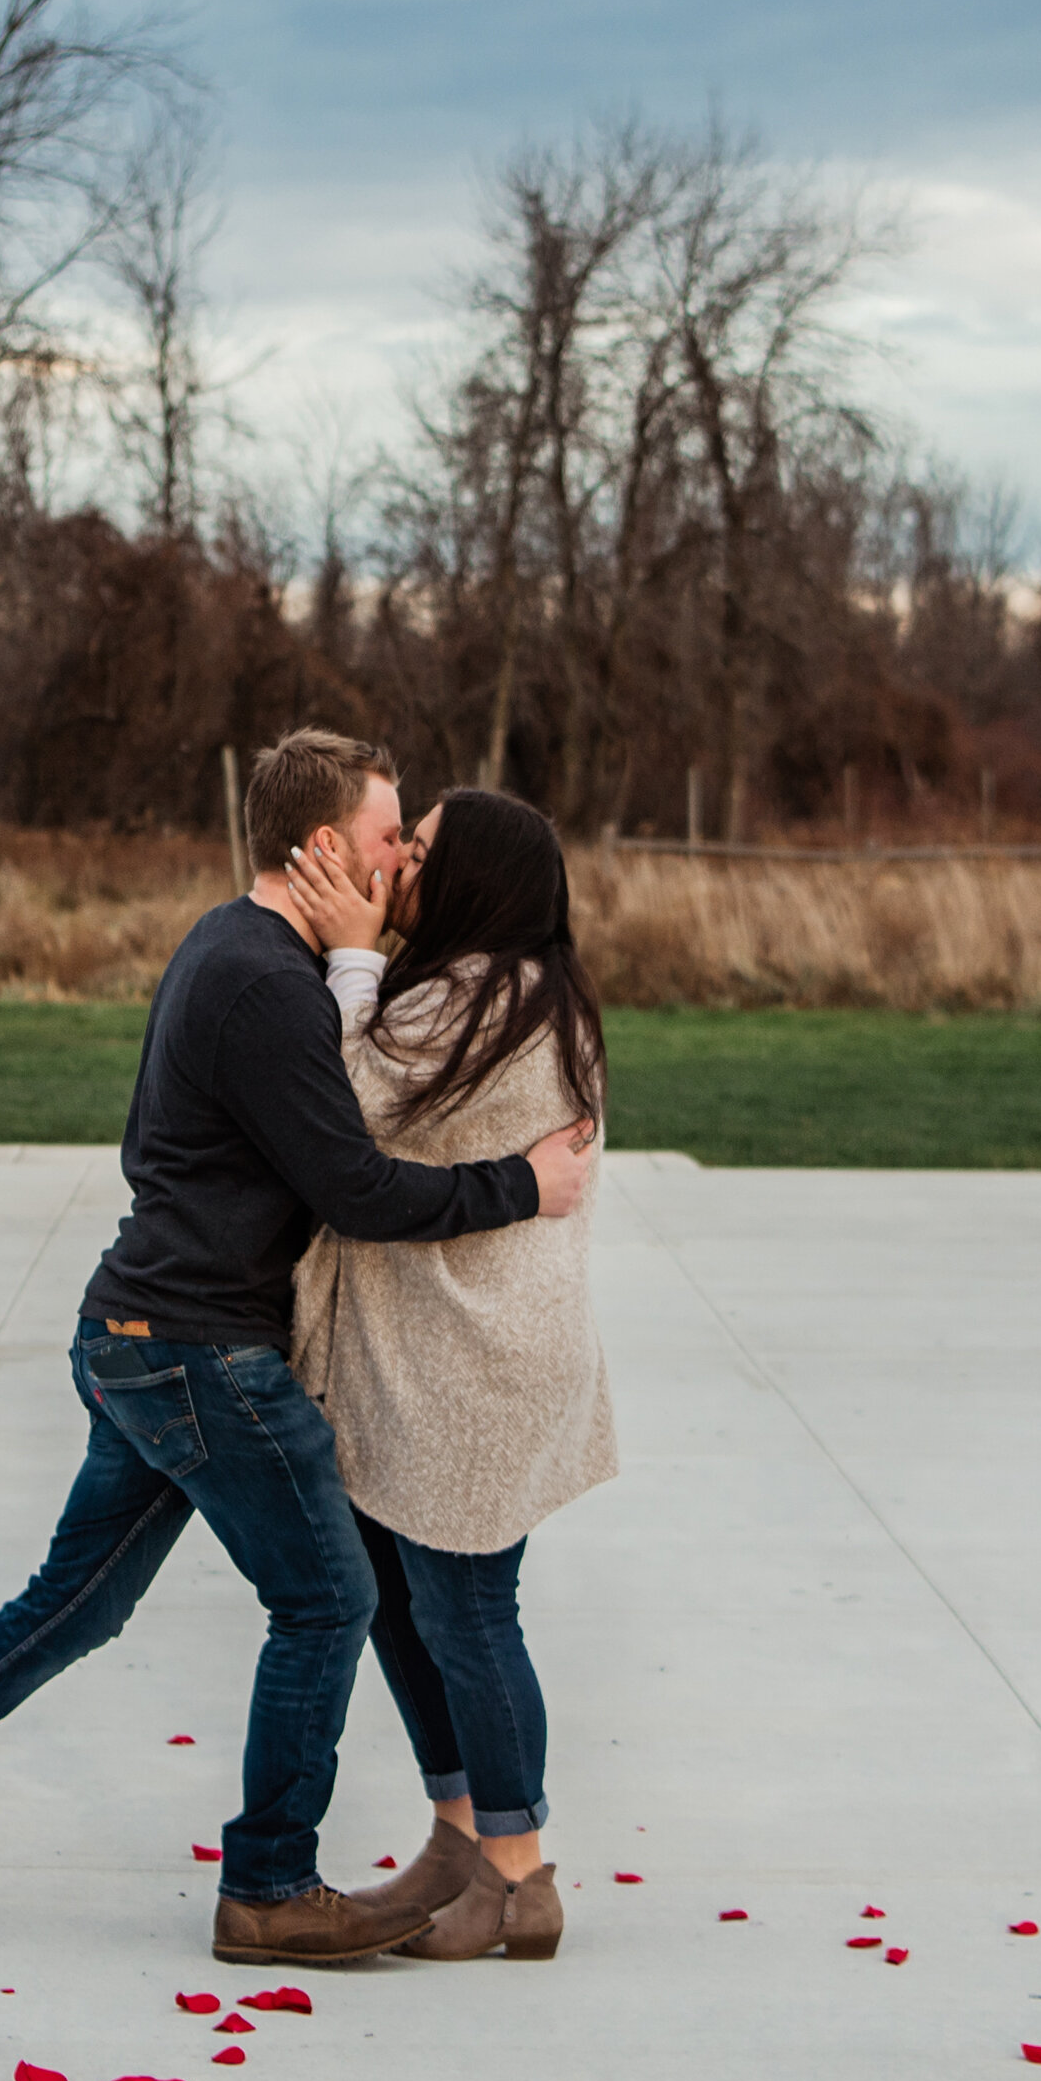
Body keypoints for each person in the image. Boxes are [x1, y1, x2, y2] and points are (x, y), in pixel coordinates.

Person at [0, 729, 594, 1968]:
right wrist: (518, 1187)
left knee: (72, 1611)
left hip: (148, 1333)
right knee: (326, 1601)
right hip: (197, 1350)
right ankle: (267, 1886)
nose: (399, 866)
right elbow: (361, 1189)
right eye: (387, 839)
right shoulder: (267, 983)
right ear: (325, 848)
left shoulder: (238, 947)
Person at [284, 787, 617, 1961]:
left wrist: (353, 961)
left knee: (469, 1609)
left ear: (471, 876)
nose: (398, 867)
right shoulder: (509, 992)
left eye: (418, 852)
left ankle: (519, 1878)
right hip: (442, 1348)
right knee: (402, 1594)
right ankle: (461, 1828)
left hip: (473, 1359)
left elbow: (345, 1105)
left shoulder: (488, 1000)